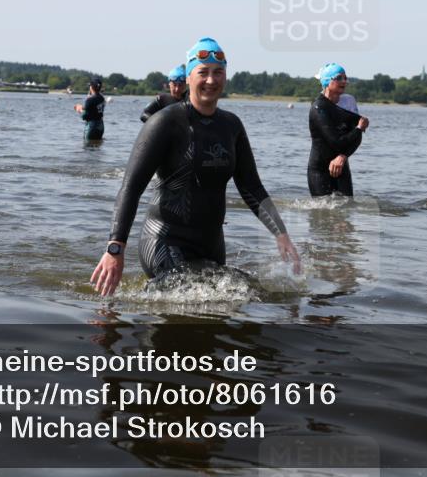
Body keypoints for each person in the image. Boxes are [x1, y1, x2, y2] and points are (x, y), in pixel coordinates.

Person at [90, 38, 301, 295]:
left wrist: (281, 235)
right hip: (163, 240)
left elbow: (251, 186)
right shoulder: (164, 123)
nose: (211, 80)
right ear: (189, 78)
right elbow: (131, 188)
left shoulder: (232, 126)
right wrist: (115, 248)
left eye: (218, 72)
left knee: (246, 294)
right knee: (188, 294)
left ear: (225, 77)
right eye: (203, 72)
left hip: (211, 244)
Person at [308, 63, 369, 197]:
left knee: (346, 210)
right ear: (327, 81)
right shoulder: (319, 107)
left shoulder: (349, 101)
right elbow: (336, 142)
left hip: (341, 166)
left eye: (345, 78)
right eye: (339, 78)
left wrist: (343, 156)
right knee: (322, 213)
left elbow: (356, 138)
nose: (344, 81)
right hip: (320, 170)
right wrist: (359, 127)